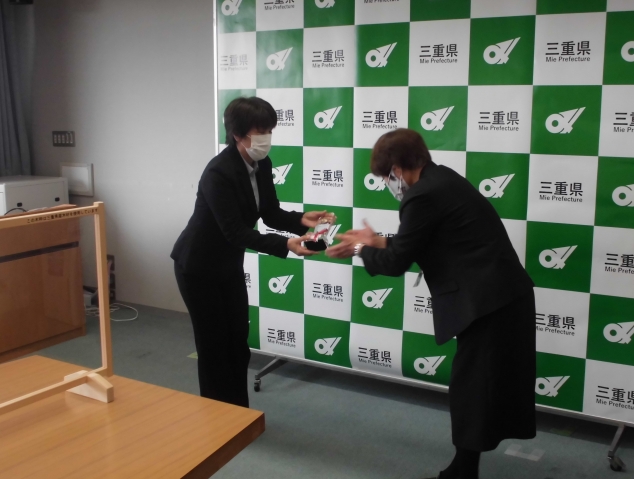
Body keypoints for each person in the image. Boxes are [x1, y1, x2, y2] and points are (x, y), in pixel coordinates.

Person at [326, 128, 536, 479]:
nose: (389, 185)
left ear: (396, 169)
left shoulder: (422, 195)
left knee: (473, 390)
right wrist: (376, 241)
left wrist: (361, 248)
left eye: (385, 177)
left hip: (490, 302)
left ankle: (462, 472)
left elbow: (396, 262)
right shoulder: (442, 180)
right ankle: (463, 468)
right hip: (500, 296)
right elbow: (417, 240)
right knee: (477, 388)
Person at [171, 97, 330, 408]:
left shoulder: (261, 164)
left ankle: (238, 414)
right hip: (197, 268)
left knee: (237, 343)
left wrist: (302, 220)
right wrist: (285, 245)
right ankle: (218, 419)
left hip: (228, 266)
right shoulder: (218, 172)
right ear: (237, 134)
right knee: (214, 347)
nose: (267, 138)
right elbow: (235, 231)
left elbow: (270, 213)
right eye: (260, 132)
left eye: (270, 130)